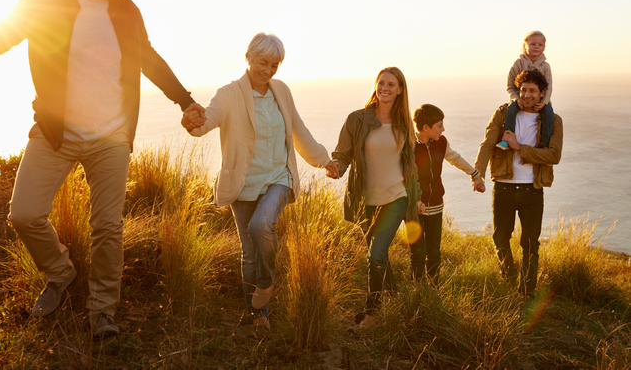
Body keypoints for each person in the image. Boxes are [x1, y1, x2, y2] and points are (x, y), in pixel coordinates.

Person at [0, 0, 206, 337]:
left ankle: (102, 310)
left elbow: (147, 58)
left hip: (111, 137)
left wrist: (185, 101)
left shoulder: (127, 11)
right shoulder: (45, 0)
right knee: (23, 214)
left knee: (108, 227)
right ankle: (60, 273)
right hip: (55, 131)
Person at [181, 32, 335, 332]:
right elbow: (208, 119)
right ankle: (258, 313)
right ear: (249, 58)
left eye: (275, 64)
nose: (269, 70)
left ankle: (265, 285)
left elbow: (298, 130)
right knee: (249, 252)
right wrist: (193, 122)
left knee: (260, 226)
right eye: (264, 62)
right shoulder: (229, 94)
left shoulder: (281, 91)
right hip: (243, 183)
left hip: (279, 178)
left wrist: (323, 160)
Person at [327, 67, 426, 327]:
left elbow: (411, 166)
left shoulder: (405, 124)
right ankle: (395, 303)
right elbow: (343, 154)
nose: (384, 88)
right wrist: (336, 168)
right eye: (381, 83)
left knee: (375, 255)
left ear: (400, 90)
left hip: (396, 197)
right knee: (379, 256)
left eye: (391, 84)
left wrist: (415, 198)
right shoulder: (357, 120)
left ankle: (372, 315)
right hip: (364, 200)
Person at [474, 70, 562, 301]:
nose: (527, 94)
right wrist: (477, 174)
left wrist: (518, 147)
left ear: (542, 93)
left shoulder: (554, 120)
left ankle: (527, 291)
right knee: (500, 238)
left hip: (532, 189)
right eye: (523, 90)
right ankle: (509, 278)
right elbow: (487, 144)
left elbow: (553, 156)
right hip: (503, 186)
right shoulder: (503, 114)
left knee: (531, 243)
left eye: (533, 90)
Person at [412, 104, 485, 281]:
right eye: (439, 125)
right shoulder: (408, 146)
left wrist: (475, 174)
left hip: (436, 203)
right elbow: (403, 175)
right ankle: (418, 290)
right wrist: (415, 200)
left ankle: (434, 289)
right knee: (418, 252)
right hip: (414, 207)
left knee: (434, 252)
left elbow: (455, 159)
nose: (443, 129)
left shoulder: (441, 142)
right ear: (425, 128)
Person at [496, 31, 554, 150]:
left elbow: (548, 87)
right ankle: (507, 140)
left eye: (540, 44)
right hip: (520, 99)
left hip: (541, 100)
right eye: (533, 44)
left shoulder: (546, 66)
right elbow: (510, 86)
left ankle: (544, 144)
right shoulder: (518, 64)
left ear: (544, 47)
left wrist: (544, 102)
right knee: (510, 110)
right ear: (524, 46)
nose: (536, 47)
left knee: (549, 113)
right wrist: (516, 99)